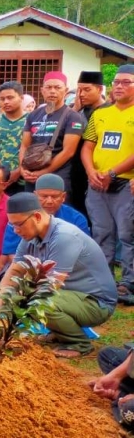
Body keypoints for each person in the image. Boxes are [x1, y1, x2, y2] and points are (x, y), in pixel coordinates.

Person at [0, 192, 116, 357]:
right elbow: (14, 270)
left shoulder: (64, 236)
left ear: (37, 217)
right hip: (69, 296)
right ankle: (59, 332)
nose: (16, 230)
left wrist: (18, 298)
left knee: (37, 300)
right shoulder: (30, 234)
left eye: (19, 224)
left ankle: (79, 344)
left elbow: (51, 285)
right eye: (12, 225)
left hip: (97, 304)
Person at [81, 64, 134, 299]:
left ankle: (129, 284)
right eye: (117, 82)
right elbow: (88, 146)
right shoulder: (100, 114)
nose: (119, 86)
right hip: (97, 185)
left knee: (127, 234)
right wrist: (91, 171)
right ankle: (105, 282)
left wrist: (111, 173)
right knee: (102, 233)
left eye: (126, 82)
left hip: (125, 183)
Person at [19, 72, 86, 193]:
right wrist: (23, 169)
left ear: (65, 90)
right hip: (32, 174)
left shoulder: (72, 117)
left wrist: (43, 173)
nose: (52, 91)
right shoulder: (33, 115)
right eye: (48, 87)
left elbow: (68, 152)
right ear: (42, 90)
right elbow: (24, 145)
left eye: (57, 87)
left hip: (58, 175)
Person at [71, 70, 108, 218]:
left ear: (99, 89)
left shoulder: (110, 111)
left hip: (99, 170)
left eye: (87, 90)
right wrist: (74, 110)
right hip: (76, 170)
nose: (81, 94)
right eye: (79, 89)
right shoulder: (77, 111)